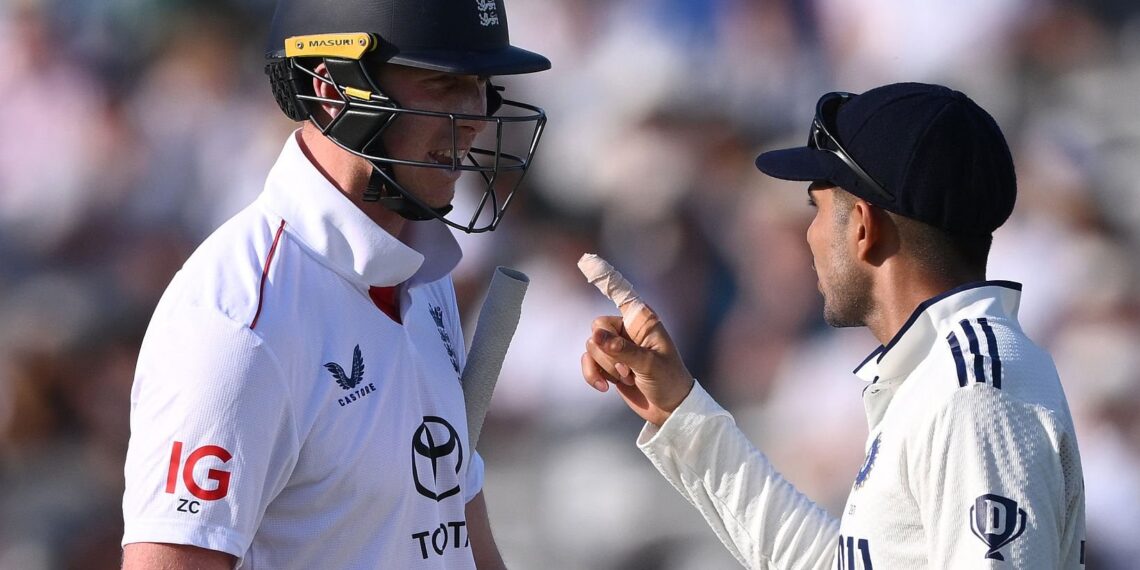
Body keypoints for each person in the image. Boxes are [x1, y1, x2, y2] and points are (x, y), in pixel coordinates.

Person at [581, 82, 1087, 568]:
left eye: (816, 208)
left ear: (863, 226)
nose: (810, 235)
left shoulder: (972, 392)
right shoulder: (942, 374)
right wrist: (678, 407)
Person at [121, 0, 549, 568]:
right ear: (335, 90)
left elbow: (454, 530)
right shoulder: (241, 322)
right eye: (443, 82)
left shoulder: (421, 272)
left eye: (480, 83)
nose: (475, 115)